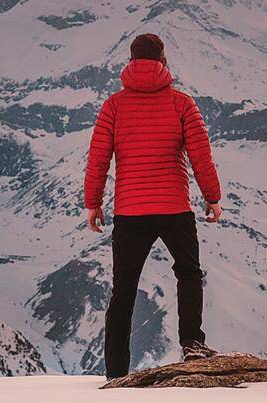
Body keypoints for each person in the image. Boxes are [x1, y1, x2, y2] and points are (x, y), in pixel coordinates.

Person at [83, 33, 223, 378]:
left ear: (131, 61)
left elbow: (98, 159)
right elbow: (201, 156)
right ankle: (192, 343)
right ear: (163, 61)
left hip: (130, 211)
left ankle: (116, 370)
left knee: (124, 288)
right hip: (174, 207)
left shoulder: (113, 106)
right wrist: (212, 197)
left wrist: (93, 203)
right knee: (188, 273)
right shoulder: (182, 103)